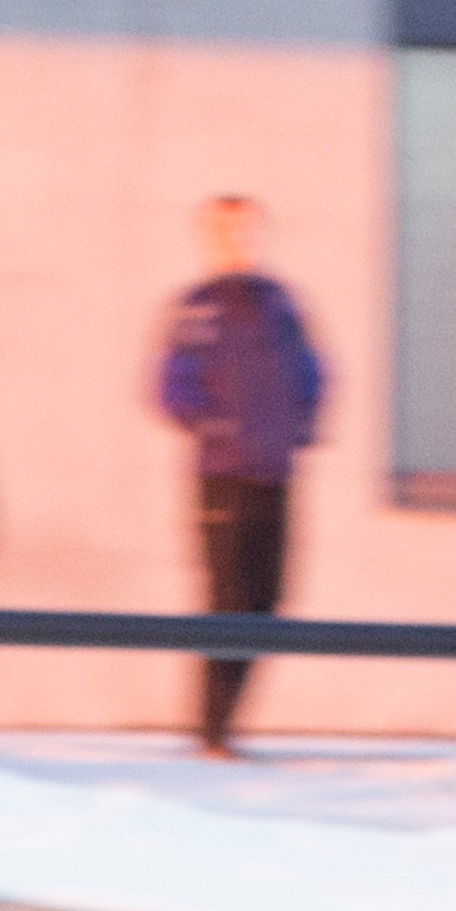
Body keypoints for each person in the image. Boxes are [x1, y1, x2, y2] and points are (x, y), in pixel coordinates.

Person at [152, 193, 323, 755]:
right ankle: (213, 731)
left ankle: (226, 726)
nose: (238, 241)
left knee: (269, 601)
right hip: (222, 477)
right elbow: (171, 388)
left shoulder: (281, 304)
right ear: (209, 238)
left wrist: (299, 428)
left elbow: (314, 372)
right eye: (226, 231)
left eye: (247, 230)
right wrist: (219, 431)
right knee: (226, 601)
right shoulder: (198, 307)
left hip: (275, 475)